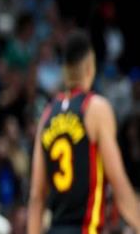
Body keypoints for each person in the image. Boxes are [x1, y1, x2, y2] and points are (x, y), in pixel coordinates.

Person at [28, 29, 140, 233]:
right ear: (90, 67)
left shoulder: (47, 114)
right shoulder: (95, 108)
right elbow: (118, 183)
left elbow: (36, 196)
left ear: (64, 70)